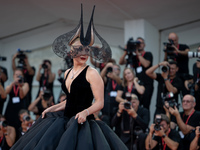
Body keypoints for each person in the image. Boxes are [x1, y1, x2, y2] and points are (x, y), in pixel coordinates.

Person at [11, 5, 128, 150]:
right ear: (71, 52)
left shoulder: (92, 73)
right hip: (63, 121)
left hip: (83, 124)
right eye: (79, 49)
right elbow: (70, 101)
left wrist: (85, 112)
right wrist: (52, 108)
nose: (84, 53)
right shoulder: (67, 72)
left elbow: (99, 103)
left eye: (86, 49)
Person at [119, 37, 153, 110]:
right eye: (137, 43)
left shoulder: (148, 54)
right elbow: (121, 62)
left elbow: (146, 64)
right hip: (137, 83)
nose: (139, 44)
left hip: (147, 84)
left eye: (141, 43)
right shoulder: (133, 57)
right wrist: (125, 52)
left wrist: (138, 53)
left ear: (144, 45)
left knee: (145, 105)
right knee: (136, 104)